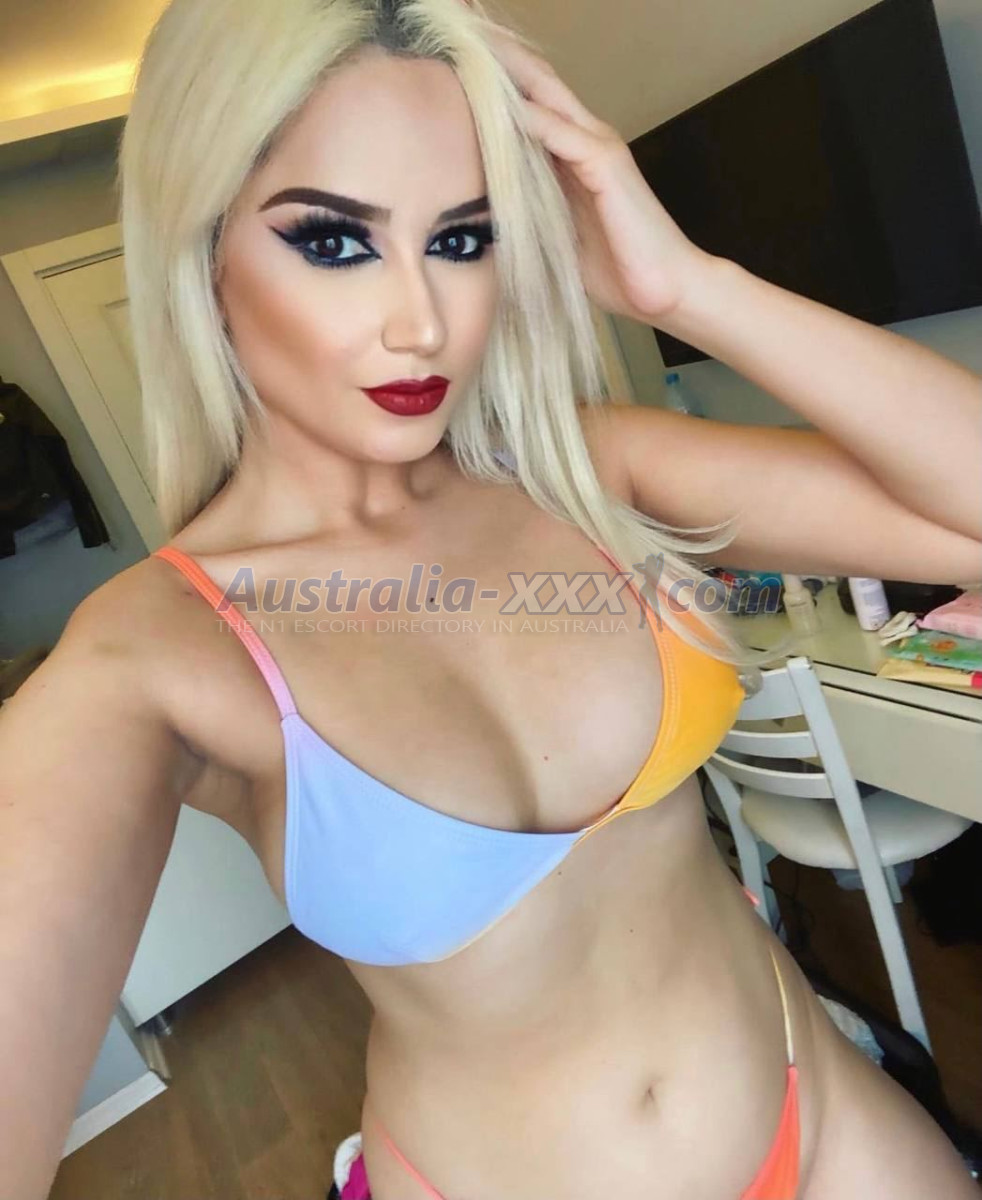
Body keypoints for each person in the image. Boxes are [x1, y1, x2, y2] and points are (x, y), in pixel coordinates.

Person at [1, 1, 980, 1197]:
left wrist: (683, 286)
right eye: (334, 241)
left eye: (463, 238)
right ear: (200, 252)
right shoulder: (155, 656)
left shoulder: (584, 471)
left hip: (812, 1107)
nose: (423, 323)